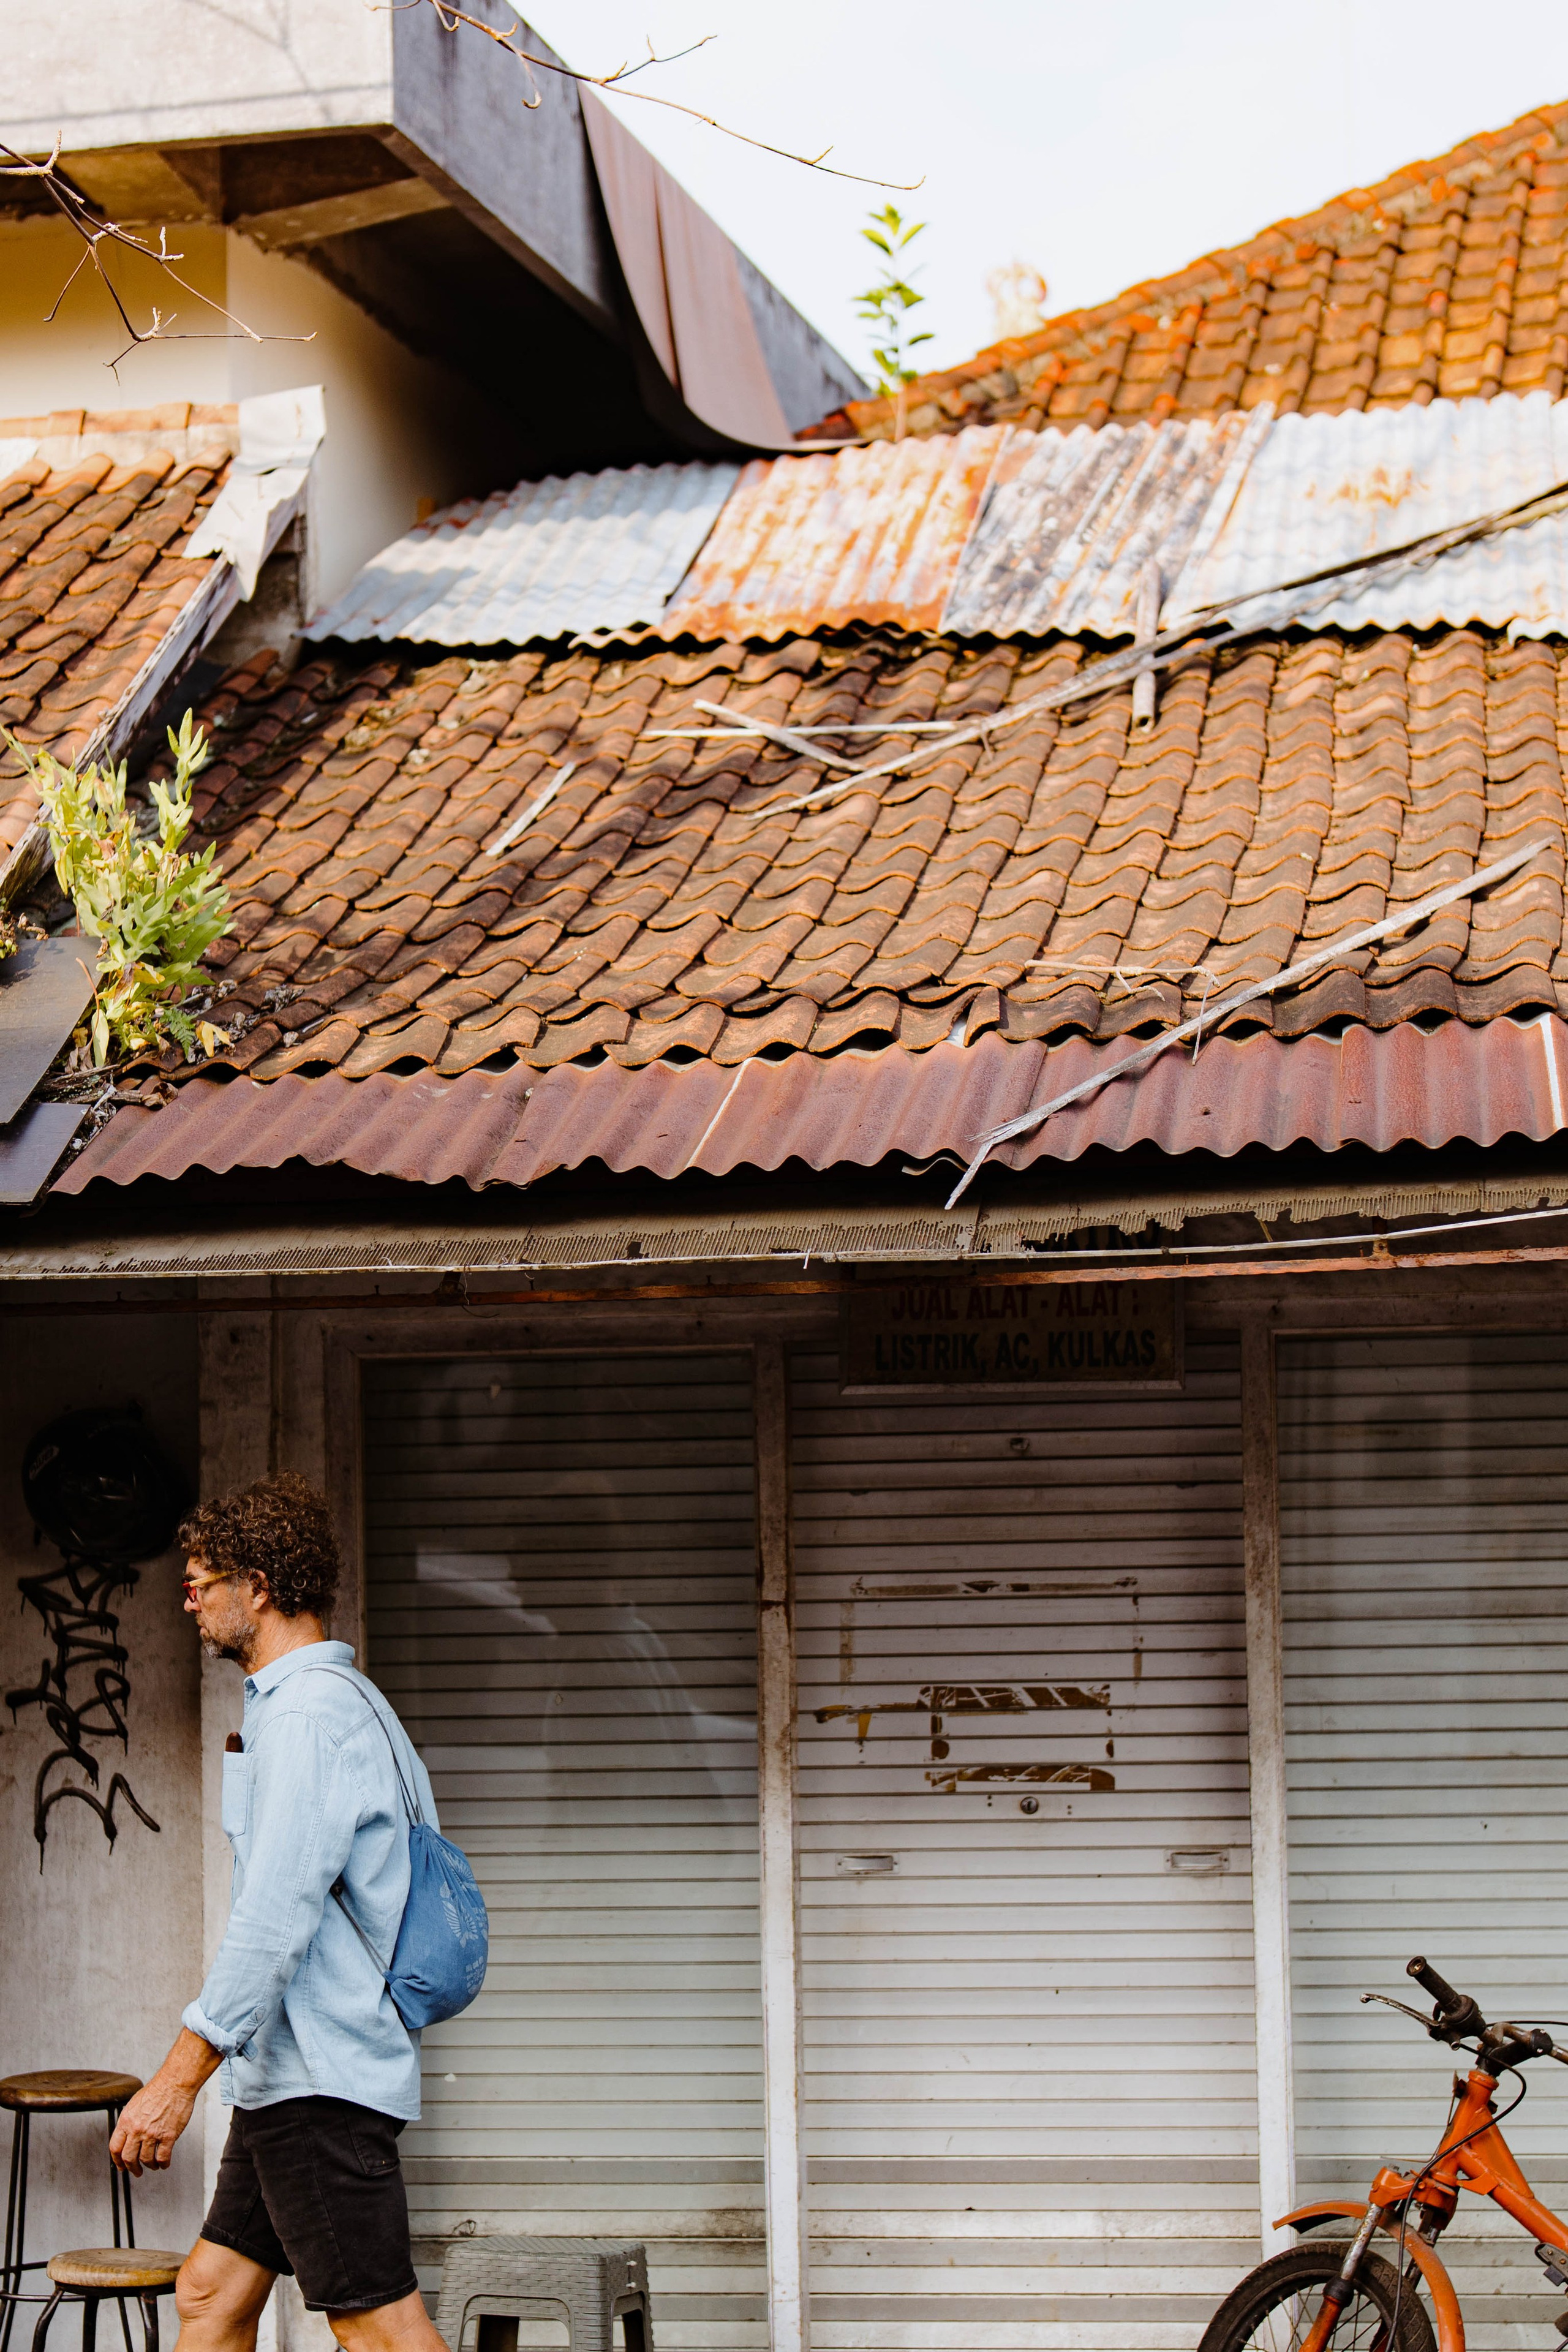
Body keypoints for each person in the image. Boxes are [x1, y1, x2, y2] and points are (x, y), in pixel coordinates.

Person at [109, 1473, 448, 2352]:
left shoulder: (306, 1718)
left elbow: (274, 1917)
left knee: (380, 2332)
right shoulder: (351, 1705)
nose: (188, 1604)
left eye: (198, 1585)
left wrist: (175, 2082)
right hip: (291, 2078)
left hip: (320, 2083)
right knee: (211, 2298)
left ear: (257, 1586)